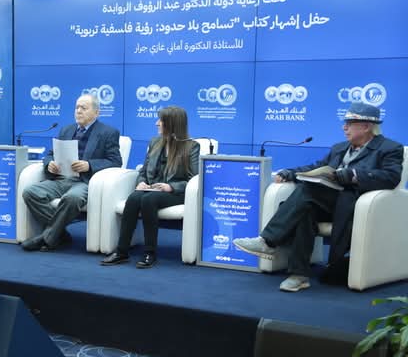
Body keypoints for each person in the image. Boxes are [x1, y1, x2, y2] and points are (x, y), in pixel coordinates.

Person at [233, 102, 403, 292]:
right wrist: (291, 172)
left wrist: (353, 175)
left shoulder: (389, 148)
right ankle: (299, 275)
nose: (344, 128)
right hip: (328, 203)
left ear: (366, 126)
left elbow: (391, 177)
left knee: (308, 192)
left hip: (357, 206)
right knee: (306, 210)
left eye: (349, 123)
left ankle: (268, 241)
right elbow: (317, 168)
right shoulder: (339, 148)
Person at [21, 93, 122, 252]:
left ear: (96, 112)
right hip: (61, 178)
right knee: (30, 192)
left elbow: (115, 161)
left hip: (85, 181)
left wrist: (89, 165)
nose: (79, 111)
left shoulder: (108, 132)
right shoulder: (66, 130)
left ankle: (46, 237)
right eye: (77, 107)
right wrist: (50, 164)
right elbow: (50, 155)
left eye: (84, 108)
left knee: (72, 198)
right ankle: (58, 233)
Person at [102, 106, 200, 268]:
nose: (157, 123)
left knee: (149, 200)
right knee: (134, 198)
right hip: (153, 188)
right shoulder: (155, 142)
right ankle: (121, 252)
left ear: (173, 124)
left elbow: (194, 178)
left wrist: (170, 187)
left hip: (176, 192)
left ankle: (150, 252)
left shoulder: (191, 147)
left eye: (161, 121)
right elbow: (143, 170)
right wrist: (141, 182)